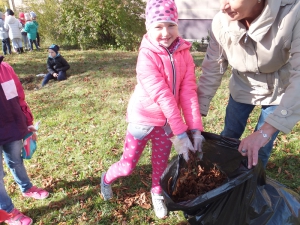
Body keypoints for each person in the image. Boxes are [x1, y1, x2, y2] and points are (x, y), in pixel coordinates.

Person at [100, 0, 204, 219]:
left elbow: (188, 92)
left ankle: (156, 193)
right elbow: (163, 97)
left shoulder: (184, 53)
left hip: (166, 126)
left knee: (160, 167)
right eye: (158, 26)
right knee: (128, 166)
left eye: (170, 25)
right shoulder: (146, 55)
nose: (165, 32)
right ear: (148, 27)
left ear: (177, 25)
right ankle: (106, 178)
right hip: (142, 122)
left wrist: (195, 129)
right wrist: (180, 132)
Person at [197, 0, 300, 169]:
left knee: (261, 148)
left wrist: (265, 131)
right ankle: (223, 173)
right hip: (242, 87)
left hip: (278, 89)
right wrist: (196, 116)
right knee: (229, 134)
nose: (223, 6)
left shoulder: (293, 13)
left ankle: (253, 183)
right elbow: (213, 68)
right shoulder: (220, 22)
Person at [0, 55, 49, 225]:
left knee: (16, 160)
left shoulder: (5, 68)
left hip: (12, 127)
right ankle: (6, 212)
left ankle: (26, 187)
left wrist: (27, 121)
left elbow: (18, 97)